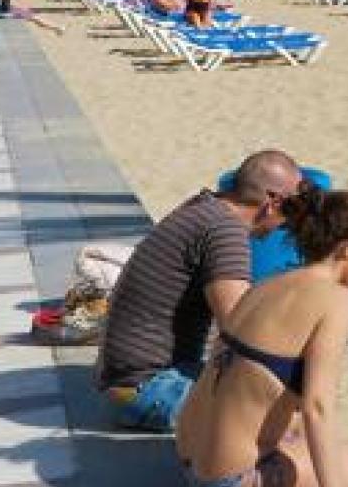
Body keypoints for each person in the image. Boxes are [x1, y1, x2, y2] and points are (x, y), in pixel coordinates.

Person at [174, 188, 348, 487]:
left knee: (308, 435)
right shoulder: (337, 300)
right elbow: (317, 408)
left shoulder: (265, 286)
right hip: (231, 483)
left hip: (189, 459)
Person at [97, 150, 305, 432]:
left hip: (128, 378)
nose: (290, 223)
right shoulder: (225, 231)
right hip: (149, 389)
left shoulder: (203, 206)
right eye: (294, 209)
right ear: (273, 201)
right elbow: (239, 330)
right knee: (287, 419)